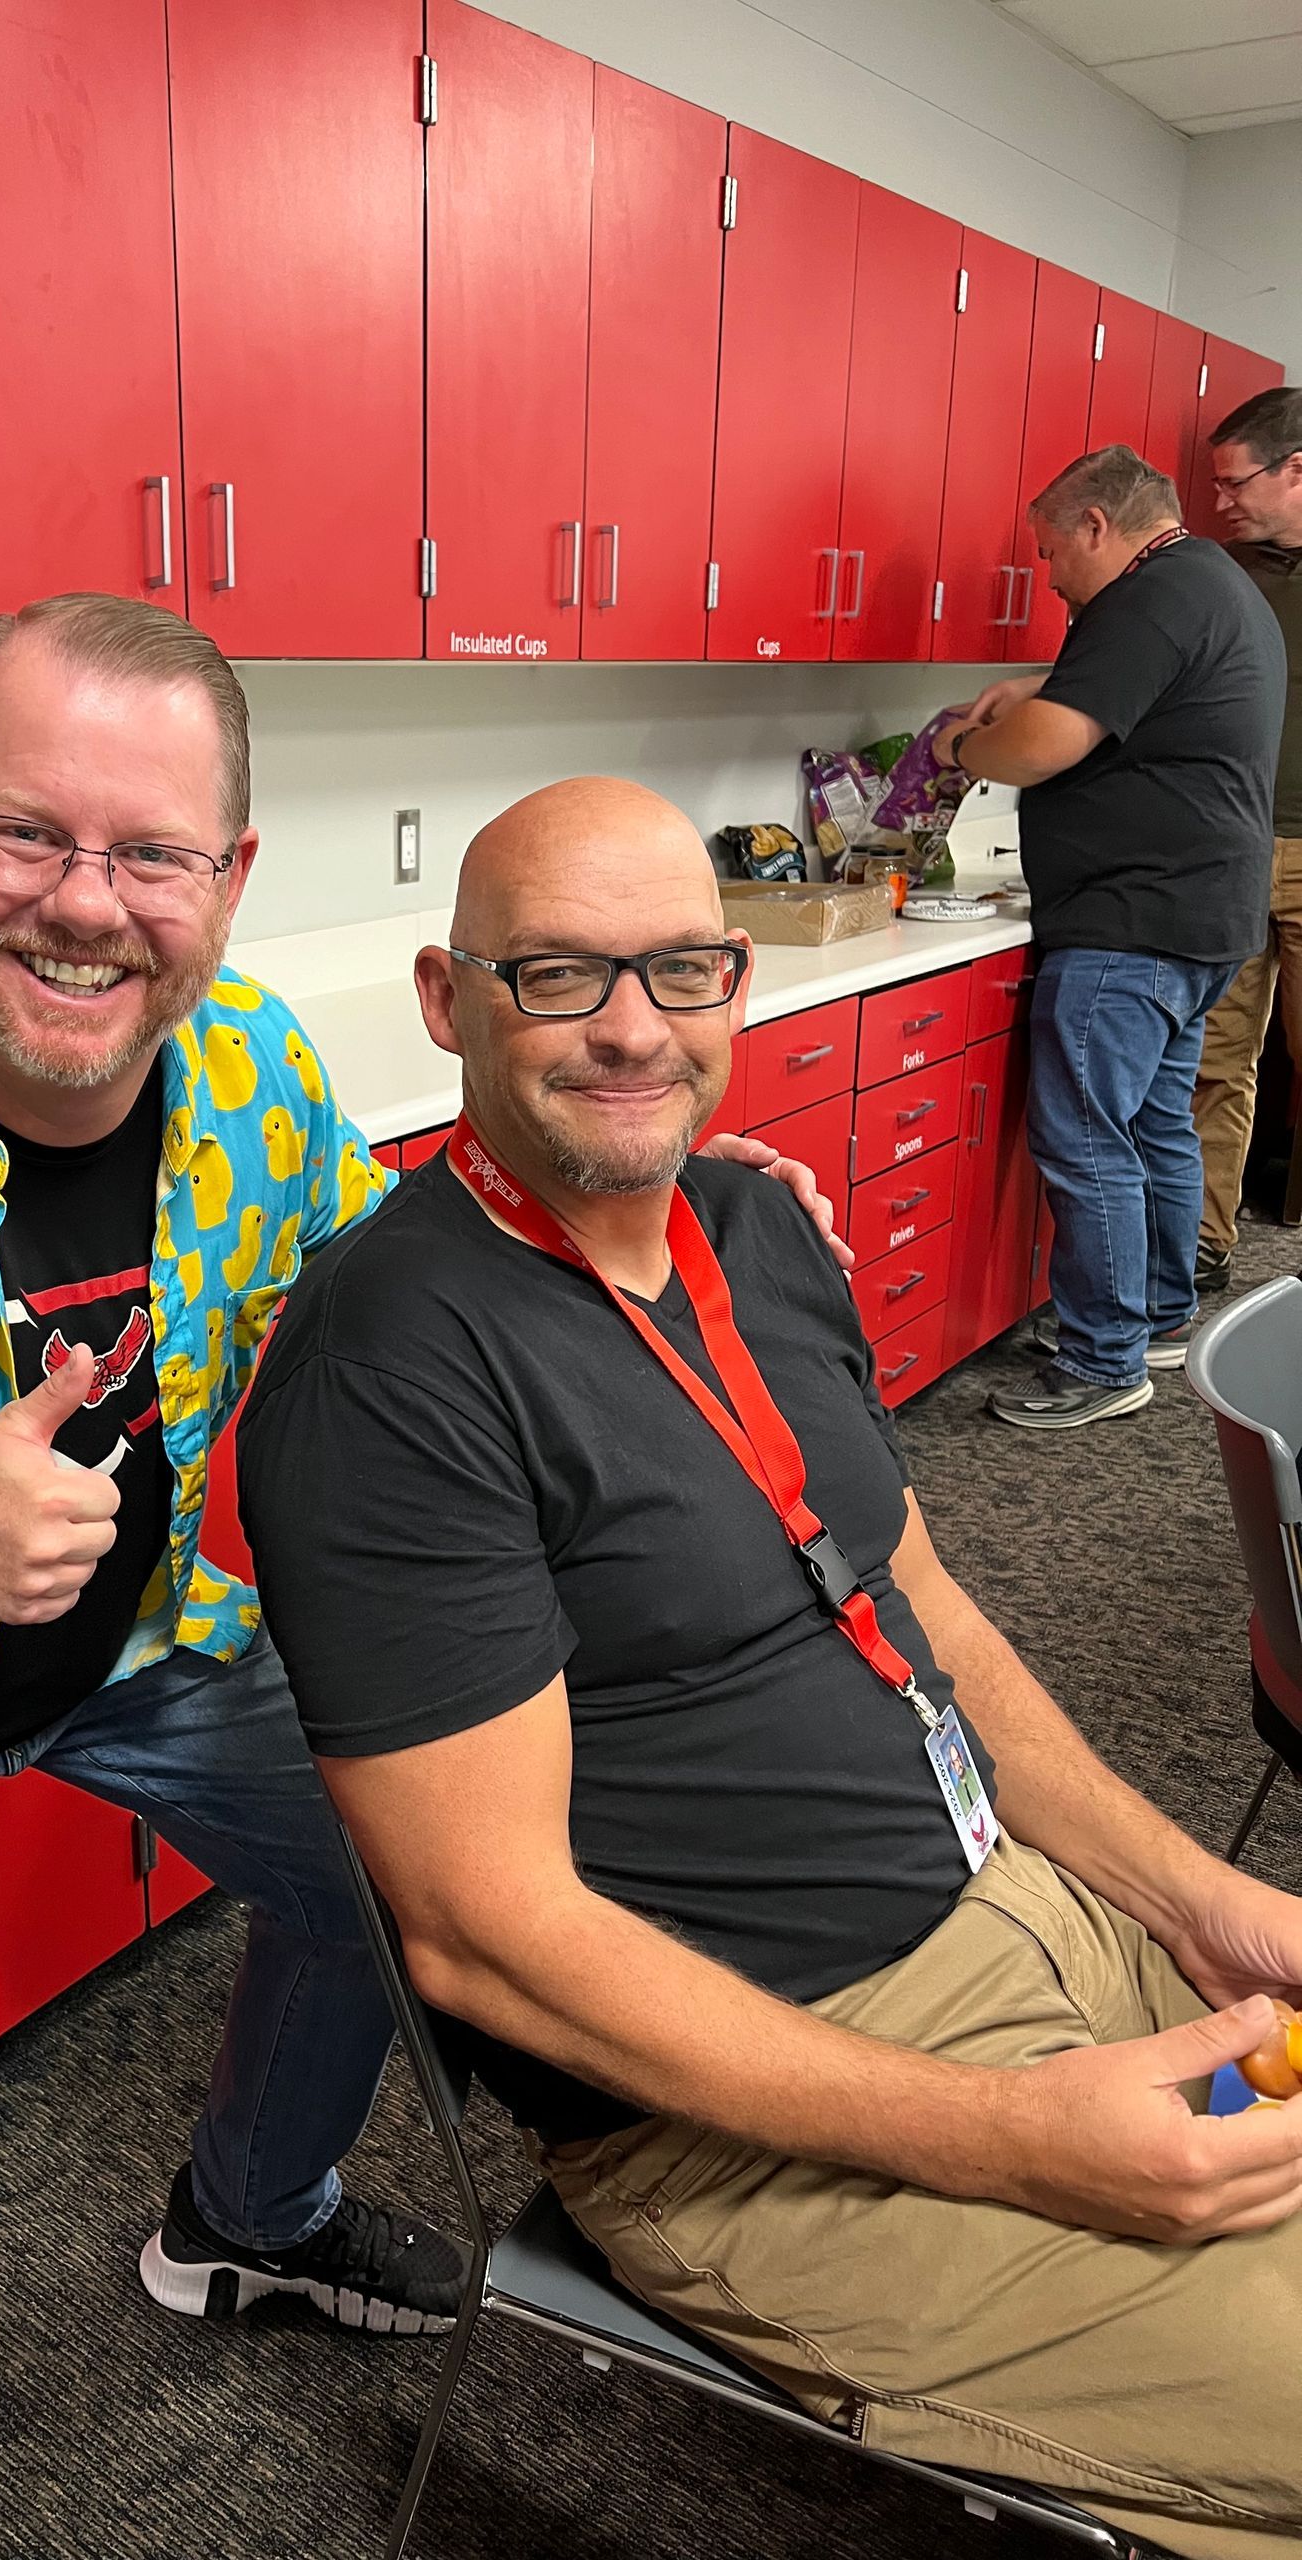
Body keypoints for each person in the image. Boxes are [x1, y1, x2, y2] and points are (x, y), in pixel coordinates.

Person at [0, 598, 834, 2559]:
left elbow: (389, 1294)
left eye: (151, 851)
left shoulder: (250, 1067)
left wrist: (655, 1194)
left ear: (229, 878)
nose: (85, 905)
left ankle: (247, 2217)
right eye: (24, 832)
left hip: (146, 1650)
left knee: (414, 1859)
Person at [238, 776, 1302, 2560]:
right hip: (785, 2113)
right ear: (448, 1002)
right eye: (559, 976)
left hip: (1035, 1915)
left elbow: (928, 1616)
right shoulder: (392, 1370)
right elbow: (485, 1937)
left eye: (681, 969)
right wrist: (1009, 2138)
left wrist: (1204, 1902)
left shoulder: (752, 1232)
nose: (634, 1029)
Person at [929, 444, 1284, 1431]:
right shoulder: (1210, 581)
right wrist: (1044, 680)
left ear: (1097, 527)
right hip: (1205, 916)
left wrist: (961, 744)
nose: (1045, 575)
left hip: (1133, 921)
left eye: (1049, 551)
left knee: (1089, 1141)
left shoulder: (1143, 598)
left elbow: (1043, 749)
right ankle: (1159, 1317)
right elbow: (1140, 697)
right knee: (1155, 1124)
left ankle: (1102, 1358)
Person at [1192, 386, 1302, 1293]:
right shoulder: (1225, 574)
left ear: (1297, 468)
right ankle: (1203, 1242)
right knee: (1216, 1060)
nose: (1221, 499)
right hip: (1230, 847)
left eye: (1235, 482)